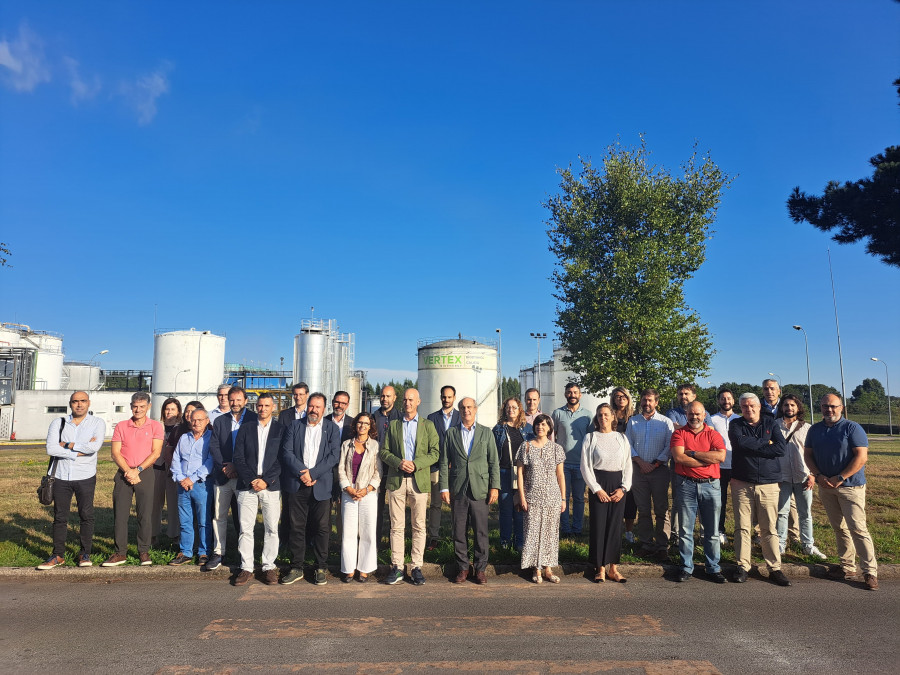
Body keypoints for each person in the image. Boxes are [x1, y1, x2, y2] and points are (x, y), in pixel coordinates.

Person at [804, 394, 878, 591]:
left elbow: (861, 457)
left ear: (841, 407)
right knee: (839, 528)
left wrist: (841, 477)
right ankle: (847, 567)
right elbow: (808, 455)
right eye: (825, 406)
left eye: (833, 406)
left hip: (850, 487)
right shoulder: (815, 430)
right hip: (826, 486)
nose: (829, 410)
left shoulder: (852, 428)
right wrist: (818, 475)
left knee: (858, 528)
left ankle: (870, 571)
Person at [37, 391, 106, 570]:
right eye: (75, 401)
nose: (79, 404)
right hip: (60, 476)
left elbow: (94, 447)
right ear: (70, 404)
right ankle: (58, 554)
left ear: (88, 403)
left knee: (86, 516)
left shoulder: (97, 423)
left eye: (83, 401)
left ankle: (85, 553)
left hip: (86, 476)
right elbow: (51, 448)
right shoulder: (58, 423)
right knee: (60, 517)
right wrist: (79, 451)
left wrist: (66, 445)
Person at [728, 392, 790, 586]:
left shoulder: (770, 423)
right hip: (741, 482)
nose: (749, 409)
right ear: (741, 408)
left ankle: (774, 568)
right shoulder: (736, 424)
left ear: (759, 406)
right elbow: (739, 443)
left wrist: (753, 445)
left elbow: (780, 449)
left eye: (752, 406)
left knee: (769, 527)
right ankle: (743, 566)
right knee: (742, 527)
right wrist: (766, 443)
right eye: (745, 407)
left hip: (769, 483)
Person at [279, 393, 340, 586]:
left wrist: (313, 474)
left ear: (324, 409)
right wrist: (302, 473)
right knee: (297, 527)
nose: (313, 410)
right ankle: (297, 566)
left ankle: (320, 566)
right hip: (297, 485)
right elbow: (286, 452)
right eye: (311, 406)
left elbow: (333, 456)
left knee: (322, 528)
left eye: (318, 407)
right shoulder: (295, 426)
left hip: (321, 485)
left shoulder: (331, 428)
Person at [380, 388, 439, 586]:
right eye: (405, 399)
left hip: (419, 480)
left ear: (418, 402)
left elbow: (435, 453)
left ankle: (416, 567)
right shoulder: (394, 425)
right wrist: (398, 462)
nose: (407, 403)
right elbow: (384, 452)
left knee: (418, 525)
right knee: (396, 526)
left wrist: (417, 463)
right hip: (397, 480)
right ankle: (397, 566)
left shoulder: (428, 426)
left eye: (411, 400)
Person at [441, 397, 500, 584]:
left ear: (475, 409)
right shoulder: (451, 433)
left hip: (480, 489)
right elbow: (443, 463)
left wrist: (494, 486)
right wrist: (444, 487)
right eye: (463, 408)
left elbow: (493, 462)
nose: (466, 410)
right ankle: (463, 568)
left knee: (481, 531)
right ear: (459, 411)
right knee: (459, 531)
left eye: (469, 407)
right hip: (458, 488)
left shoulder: (486, 433)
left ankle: (480, 569)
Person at [102, 392, 164, 567]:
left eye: (142, 406)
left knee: (145, 514)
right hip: (124, 472)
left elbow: (156, 453)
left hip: (145, 472)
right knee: (120, 514)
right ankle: (120, 552)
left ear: (148, 407)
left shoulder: (156, 426)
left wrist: (138, 470)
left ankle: (143, 551)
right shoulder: (122, 426)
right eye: (135, 406)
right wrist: (129, 471)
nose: (138, 410)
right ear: (131, 406)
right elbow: (115, 453)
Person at [670, 401, 726, 583]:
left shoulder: (713, 434)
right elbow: (678, 457)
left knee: (711, 530)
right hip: (686, 485)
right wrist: (707, 459)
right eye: (691, 414)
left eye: (698, 414)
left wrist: (693, 453)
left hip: (711, 485)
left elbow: (721, 456)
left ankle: (713, 567)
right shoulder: (679, 433)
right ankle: (686, 567)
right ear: (686, 414)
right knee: (686, 529)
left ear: (704, 415)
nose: (694, 417)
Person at [232, 392, 284, 586]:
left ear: (273, 408)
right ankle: (246, 567)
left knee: (271, 528)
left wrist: (266, 480)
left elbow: (282, 459)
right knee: (246, 528)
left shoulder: (280, 430)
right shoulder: (245, 429)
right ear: (256, 407)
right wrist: (252, 479)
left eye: (267, 406)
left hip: (271, 486)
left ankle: (268, 566)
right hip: (247, 485)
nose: (262, 409)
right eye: (260, 406)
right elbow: (239, 458)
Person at [207, 386, 257, 571]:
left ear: (245, 400)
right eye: (232, 400)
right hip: (223, 476)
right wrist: (226, 467)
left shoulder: (253, 419)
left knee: (244, 519)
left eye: (238, 400)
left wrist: (238, 467)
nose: (235, 403)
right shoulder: (220, 421)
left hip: (244, 478)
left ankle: (244, 555)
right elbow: (214, 446)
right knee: (219, 516)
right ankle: (219, 552)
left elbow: (255, 448)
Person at [580, 404, 632, 583]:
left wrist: (624, 488)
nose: (603, 418)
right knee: (599, 526)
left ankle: (613, 569)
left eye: (606, 414)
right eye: (600, 415)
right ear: (597, 418)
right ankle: (600, 568)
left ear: (612, 417)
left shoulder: (621, 438)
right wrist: (597, 489)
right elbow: (585, 466)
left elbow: (628, 465)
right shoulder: (590, 437)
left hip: (618, 485)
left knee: (615, 528)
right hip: (598, 484)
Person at [625, 389, 673, 560]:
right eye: (644, 400)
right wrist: (640, 462)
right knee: (643, 509)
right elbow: (627, 444)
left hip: (659, 470)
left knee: (661, 509)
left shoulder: (665, 422)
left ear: (656, 402)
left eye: (650, 400)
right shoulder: (633, 422)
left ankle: (662, 546)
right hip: (638, 470)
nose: (647, 404)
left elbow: (669, 446)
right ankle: (646, 543)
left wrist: (655, 464)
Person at [517, 413, 565, 583]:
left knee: (550, 533)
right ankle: (535, 569)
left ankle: (548, 569)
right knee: (533, 532)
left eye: (544, 424)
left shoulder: (556, 448)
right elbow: (520, 473)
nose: (540, 427)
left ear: (550, 428)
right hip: (532, 496)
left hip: (552, 496)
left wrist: (563, 498)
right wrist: (522, 496)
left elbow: (560, 475)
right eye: (538, 424)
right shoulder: (526, 446)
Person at [776, 394, 826, 559]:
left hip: (803, 477)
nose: (789, 408)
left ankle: (808, 545)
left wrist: (813, 475)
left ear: (798, 408)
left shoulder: (807, 428)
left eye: (792, 405)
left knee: (805, 514)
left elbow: (816, 454)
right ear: (781, 408)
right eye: (785, 405)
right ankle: (780, 545)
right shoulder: (774, 426)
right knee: (781, 513)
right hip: (781, 478)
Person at [337, 412, 382, 583]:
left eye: (366, 423)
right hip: (349, 493)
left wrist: (368, 488)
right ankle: (349, 569)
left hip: (368, 494)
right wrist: (347, 488)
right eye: (359, 423)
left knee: (367, 531)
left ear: (371, 427)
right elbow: (340, 469)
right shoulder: (346, 445)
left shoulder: (376, 446)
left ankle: (364, 569)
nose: (362, 426)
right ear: (355, 425)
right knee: (348, 531)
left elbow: (379, 471)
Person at [168, 408, 213, 567]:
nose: (196, 423)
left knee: (203, 520)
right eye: (193, 420)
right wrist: (181, 478)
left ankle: (204, 552)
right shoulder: (183, 438)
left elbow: (210, 462)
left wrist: (192, 479)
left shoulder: (211, 438)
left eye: (200, 420)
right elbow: (176, 459)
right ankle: (186, 551)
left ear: (207, 421)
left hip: (201, 485)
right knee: (185, 520)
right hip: (182, 485)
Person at [551, 383, 592, 536]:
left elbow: (591, 439)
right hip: (562, 465)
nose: (572, 395)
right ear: (565, 394)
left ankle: (577, 528)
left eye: (575, 392)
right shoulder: (558, 413)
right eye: (569, 392)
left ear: (580, 395)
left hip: (581, 463)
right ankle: (565, 529)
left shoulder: (588, 415)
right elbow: (551, 437)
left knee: (579, 498)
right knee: (563, 497)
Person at [426, 385, 459, 549]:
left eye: (449, 397)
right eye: (444, 397)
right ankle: (434, 536)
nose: (446, 399)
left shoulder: (461, 417)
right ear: (440, 397)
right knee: (435, 504)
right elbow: (428, 443)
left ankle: (457, 536)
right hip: (436, 467)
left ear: (454, 397)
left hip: (455, 467)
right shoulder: (432, 418)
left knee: (456, 503)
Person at [492, 397, 526, 551]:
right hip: (504, 472)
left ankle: (520, 542)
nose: (511, 410)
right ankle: (505, 542)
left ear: (519, 410)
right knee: (505, 508)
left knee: (519, 507)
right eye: (508, 407)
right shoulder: (498, 429)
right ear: (504, 410)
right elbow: (492, 454)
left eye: (514, 407)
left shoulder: (526, 429)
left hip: (521, 473)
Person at [277, 382, 309, 545]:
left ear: (307, 395)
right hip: (289, 467)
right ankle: (285, 540)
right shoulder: (285, 415)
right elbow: (282, 441)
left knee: (307, 507)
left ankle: (307, 540)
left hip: (309, 468)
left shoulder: (313, 413)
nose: (298, 397)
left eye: (301, 394)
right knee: (288, 505)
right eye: (295, 394)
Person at [372, 385, 402, 552]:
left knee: (395, 511)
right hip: (376, 469)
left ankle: (394, 547)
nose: (385, 399)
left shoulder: (400, 417)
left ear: (394, 398)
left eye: (388, 396)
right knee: (376, 510)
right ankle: (374, 545)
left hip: (394, 469)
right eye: (383, 396)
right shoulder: (373, 417)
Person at [709, 389, 739, 546]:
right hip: (719, 467)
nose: (726, 401)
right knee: (719, 502)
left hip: (738, 466)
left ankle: (740, 532)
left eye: (729, 398)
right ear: (718, 401)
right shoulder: (712, 420)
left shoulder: (740, 419)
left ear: (733, 401)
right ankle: (720, 530)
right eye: (722, 398)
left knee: (740, 502)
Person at [151, 397, 182, 546]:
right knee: (154, 502)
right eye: (167, 409)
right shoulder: (156, 426)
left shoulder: (181, 428)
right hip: (156, 468)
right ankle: (152, 534)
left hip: (174, 470)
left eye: (173, 409)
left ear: (178, 412)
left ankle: (175, 534)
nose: (169, 412)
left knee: (174, 502)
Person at [609, 387, 637, 542]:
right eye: (617, 396)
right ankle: (614, 530)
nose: (620, 399)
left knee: (630, 497)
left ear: (628, 398)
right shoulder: (609, 416)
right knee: (613, 494)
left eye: (623, 396)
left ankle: (629, 531)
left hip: (630, 461)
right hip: (612, 460)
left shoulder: (634, 416)